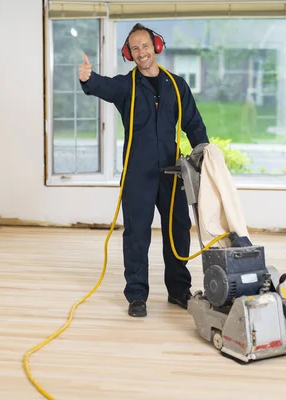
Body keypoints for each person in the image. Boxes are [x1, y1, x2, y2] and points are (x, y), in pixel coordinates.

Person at [78, 23, 209, 317]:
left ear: (156, 46)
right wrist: (89, 79)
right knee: (137, 233)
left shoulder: (177, 85)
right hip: (138, 173)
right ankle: (137, 295)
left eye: (145, 46)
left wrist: (204, 155)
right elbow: (104, 86)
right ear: (129, 54)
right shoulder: (127, 86)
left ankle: (178, 291)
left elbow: (194, 124)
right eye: (134, 48)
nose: (141, 53)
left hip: (173, 172)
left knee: (177, 231)